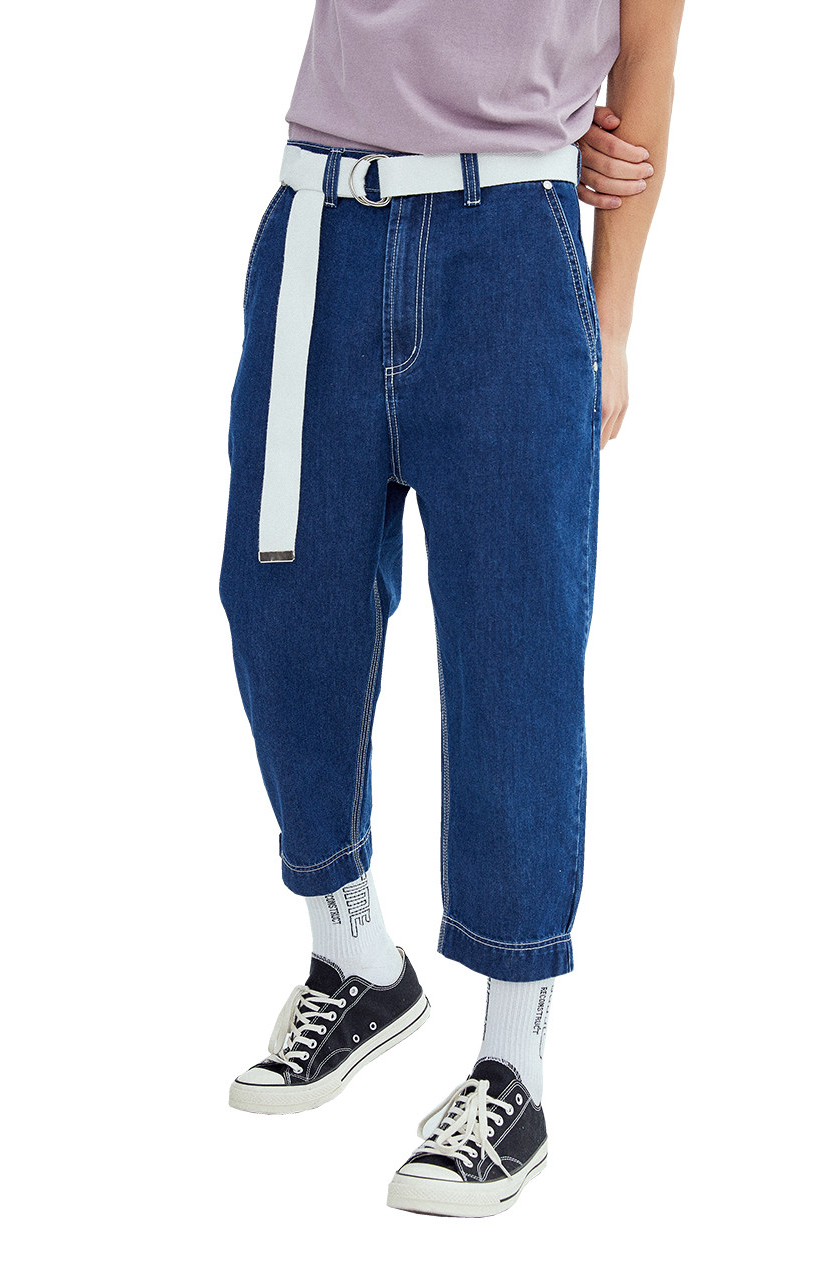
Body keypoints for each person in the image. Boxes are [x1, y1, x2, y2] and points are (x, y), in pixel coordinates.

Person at [218, 0, 684, 1216]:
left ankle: (511, 1065)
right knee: (279, 608)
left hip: (509, 252)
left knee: (514, 648)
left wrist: (611, 320)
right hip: (319, 230)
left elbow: (645, 68)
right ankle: (354, 955)